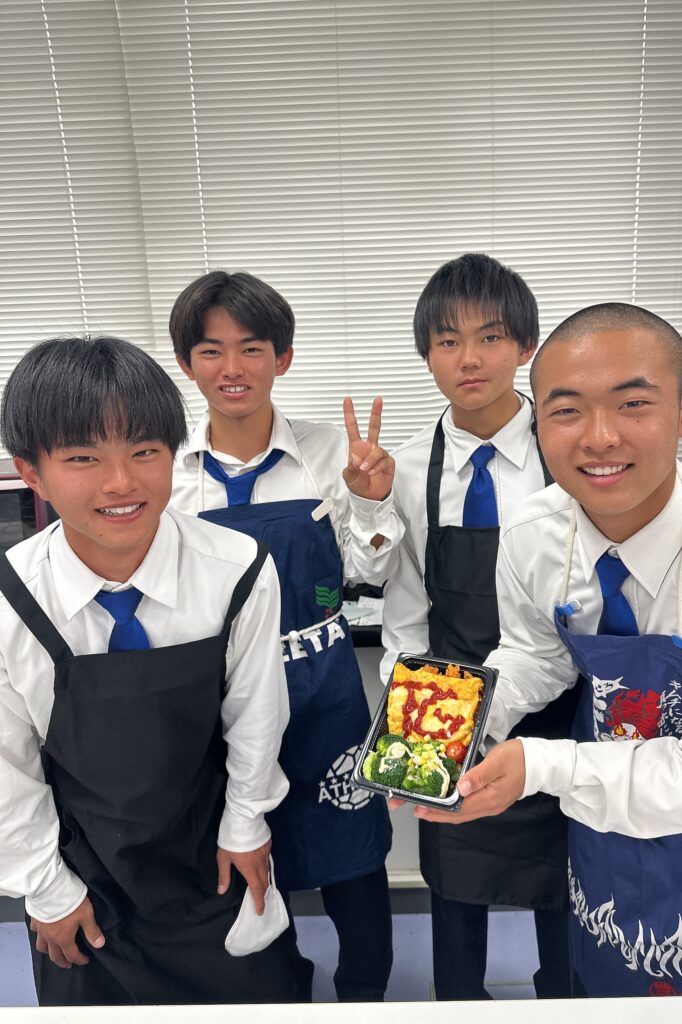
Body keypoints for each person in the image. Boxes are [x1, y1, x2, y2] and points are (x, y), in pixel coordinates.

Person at [414, 302, 682, 1010]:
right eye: (567, 411)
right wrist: (453, 719)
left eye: (633, 404)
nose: (600, 437)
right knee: (603, 991)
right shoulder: (534, 533)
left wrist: (541, 765)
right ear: (539, 423)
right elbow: (535, 654)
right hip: (603, 838)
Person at [0, 335, 308, 1006]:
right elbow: (7, 766)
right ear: (32, 473)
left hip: (212, 852)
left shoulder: (237, 569)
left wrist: (246, 825)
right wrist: (45, 888)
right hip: (79, 870)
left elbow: (256, 715)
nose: (121, 482)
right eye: (83, 458)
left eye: (144, 451)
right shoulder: (10, 600)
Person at [168, 270, 402, 1002]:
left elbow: (373, 571)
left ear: (284, 358)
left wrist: (372, 502)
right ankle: (285, 990)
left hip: (324, 690)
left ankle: (366, 994)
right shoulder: (168, 472)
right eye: (211, 351)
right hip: (223, 699)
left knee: (354, 860)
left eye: (252, 348)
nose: (232, 368)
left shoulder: (332, 453)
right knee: (250, 855)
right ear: (186, 364)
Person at [381, 253, 576, 1000]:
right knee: (455, 888)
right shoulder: (406, 471)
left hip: (566, 705)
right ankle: (459, 1004)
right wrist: (406, 722)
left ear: (525, 345)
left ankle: (566, 1002)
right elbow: (405, 605)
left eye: (490, 337)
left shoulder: (571, 454)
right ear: (426, 354)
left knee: (569, 893)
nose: (469, 358)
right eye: (448, 340)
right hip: (448, 701)